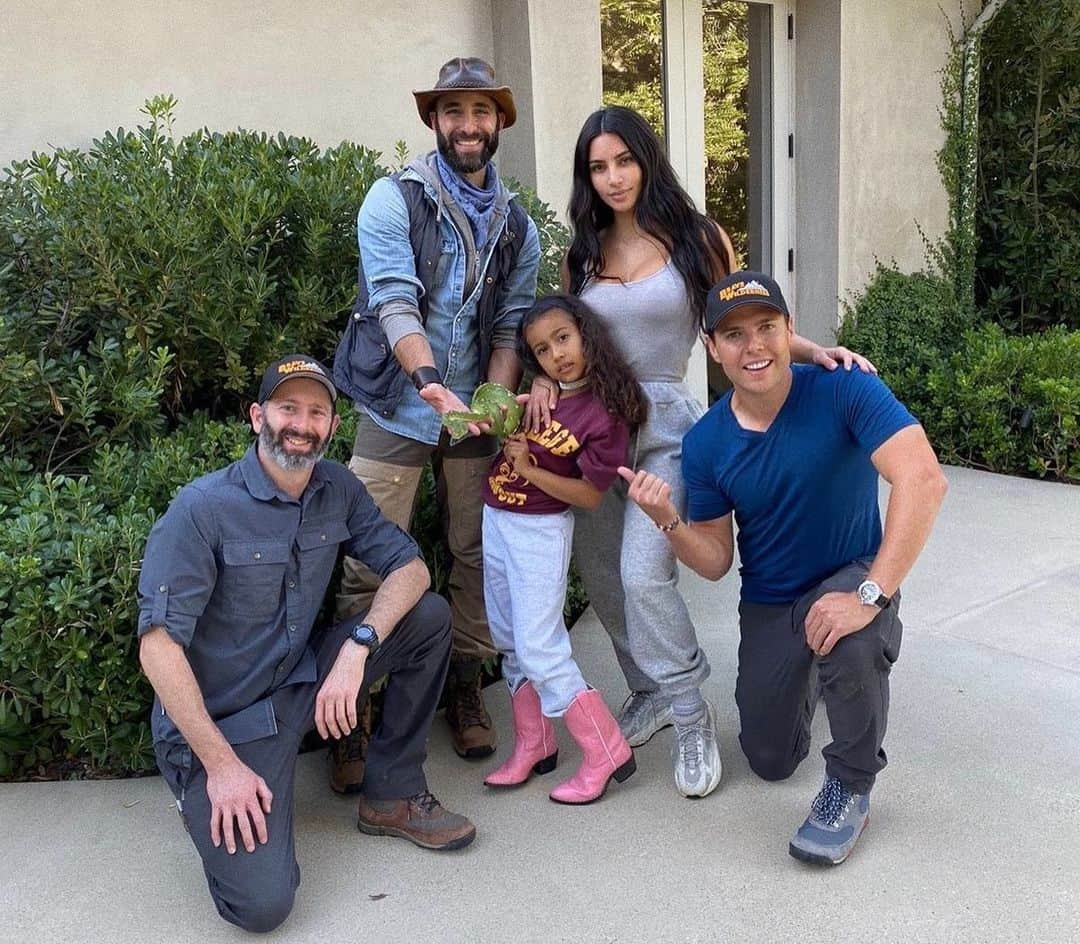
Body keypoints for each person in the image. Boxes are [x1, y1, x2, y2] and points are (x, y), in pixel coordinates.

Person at [526, 104, 873, 799]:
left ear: (646, 160)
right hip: (591, 429)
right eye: (598, 167)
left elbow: (742, 324)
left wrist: (814, 353)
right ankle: (647, 690)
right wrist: (539, 379)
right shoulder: (583, 251)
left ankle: (688, 710)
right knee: (602, 579)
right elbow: (563, 337)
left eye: (624, 160)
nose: (613, 177)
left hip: (665, 429)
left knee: (644, 574)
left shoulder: (696, 238)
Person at [138, 355, 476, 934]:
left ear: (332, 427)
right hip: (227, 728)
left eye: (316, 411)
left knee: (427, 617)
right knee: (263, 907)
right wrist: (221, 767)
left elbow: (411, 568)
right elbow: (157, 647)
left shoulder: (335, 488)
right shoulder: (202, 509)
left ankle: (391, 794)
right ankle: (198, 789)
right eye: (287, 407)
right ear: (256, 416)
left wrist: (358, 647)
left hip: (302, 683)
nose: (301, 422)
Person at [621, 272, 947, 864]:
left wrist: (871, 593)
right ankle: (825, 673)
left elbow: (923, 479)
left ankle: (850, 785)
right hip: (771, 601)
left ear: (789, 331)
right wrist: (668, 519)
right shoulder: (705, 443)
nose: (754, 347)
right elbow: (717, 561)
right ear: (712, 349)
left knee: (850, 633)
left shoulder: (844, 389)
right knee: (769, 760)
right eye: (735, 335)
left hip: (851, 571)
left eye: (767, 328)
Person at [332, 57, 540, 781]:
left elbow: (512, 327)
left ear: (500, 122)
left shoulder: (518, 225)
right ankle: (353, 713)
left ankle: (464, 691)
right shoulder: (393, 199)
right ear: (434, 122)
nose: (469, 126)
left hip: (470, 420)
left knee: (476, 552)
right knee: (367, 558)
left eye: (482, 112)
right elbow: (393, 300)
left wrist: (489, 403)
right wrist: (427, 383)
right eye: (455, 112)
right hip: (397, 401)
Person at [482, 294, 644, 803]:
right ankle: (534, 743)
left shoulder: (607, 411)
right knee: (508, 639)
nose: (557, 354)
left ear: (585, 332)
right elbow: (503, 421)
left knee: (539, 645)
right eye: (543, 350)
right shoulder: (543, 392)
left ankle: (605, 749)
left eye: (563, 339)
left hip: (539, 530)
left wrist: (530, 470)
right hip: (497, 516)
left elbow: (592, 496)